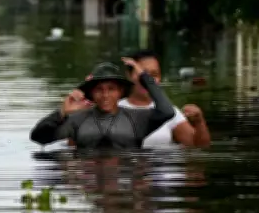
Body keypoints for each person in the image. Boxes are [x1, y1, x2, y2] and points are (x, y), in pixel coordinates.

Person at [30, 58, 175, 149]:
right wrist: (61, 113)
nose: (105, 95)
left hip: (124, 181)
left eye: (111, 89)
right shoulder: (77, 121)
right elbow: (39, 138)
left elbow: (167, 111)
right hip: (91, 182)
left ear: (120, 92)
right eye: (99, 89)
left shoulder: (137, 119)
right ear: (91, 93)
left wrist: (144, 77)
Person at [119, 50, 211, 147]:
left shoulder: (169, 111)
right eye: (142, 74)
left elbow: (198, 147)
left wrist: (199, 122)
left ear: (160, 78)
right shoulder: (114, 109)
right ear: (129, 75)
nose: (147, 80)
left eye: (154, 75)